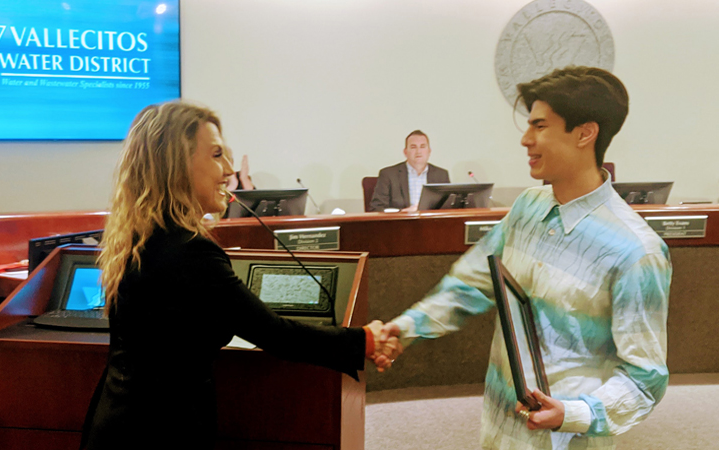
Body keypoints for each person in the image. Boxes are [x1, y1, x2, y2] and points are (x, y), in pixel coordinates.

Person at [375, 67, 671, 449]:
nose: (525, 139)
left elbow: (645, 378)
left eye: (540, 126)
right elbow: (472, 283)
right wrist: (407, 327)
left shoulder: (636, 251)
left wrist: (574, 413)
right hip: (500, 427)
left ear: (585, 133)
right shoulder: (528, 207)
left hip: (566, 440)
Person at [81, 102, 398, 449]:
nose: (229, 171)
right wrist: (365, 341)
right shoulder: (189, 251)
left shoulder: (138, 237)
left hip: (116, 423)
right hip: (159, 430)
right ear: (175, 165)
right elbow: (275, 334)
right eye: (217, 155)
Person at [369, 130, 450, 212]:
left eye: (422, 147)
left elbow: (449, 207)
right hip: (401, 223)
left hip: (432, 223)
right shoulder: (388, 175)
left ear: (429, 151)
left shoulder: (441, 175)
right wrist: (402, 213)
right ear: (405, 152)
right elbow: (376, 209)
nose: (418, 152)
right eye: (413, 147)